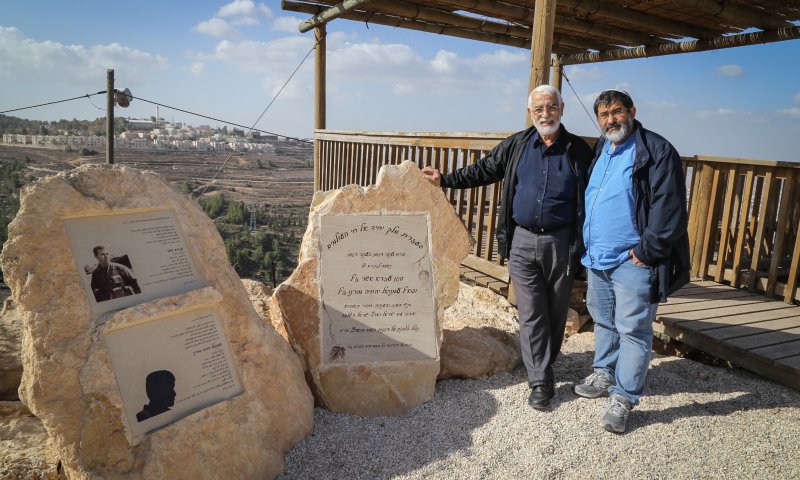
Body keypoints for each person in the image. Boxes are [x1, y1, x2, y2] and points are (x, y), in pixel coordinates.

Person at [421, 85, 593, 410]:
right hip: (522, 241)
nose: (545, 113)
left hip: (561, 242)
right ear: (531, 113)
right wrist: (445, 179)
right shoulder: (517, 145)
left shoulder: (579, 152)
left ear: (562, 108)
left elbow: (595, 197)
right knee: (530, 312)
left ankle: (546, 360)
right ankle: (540, 380)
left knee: (555, 312)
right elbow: (485, 169)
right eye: (539, 108)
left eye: (551, 107)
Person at [572, 89, 690, 433]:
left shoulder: (656, 150)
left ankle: (624, 397)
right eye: (605, 115)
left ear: (632, 111)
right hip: (598, 257)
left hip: (632, 260)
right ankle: (604, 373)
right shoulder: (602, 148)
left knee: (634, 331)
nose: (612, 120)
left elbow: (670, 209)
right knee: (603, 321)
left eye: (617, 112)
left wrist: (647, 253)